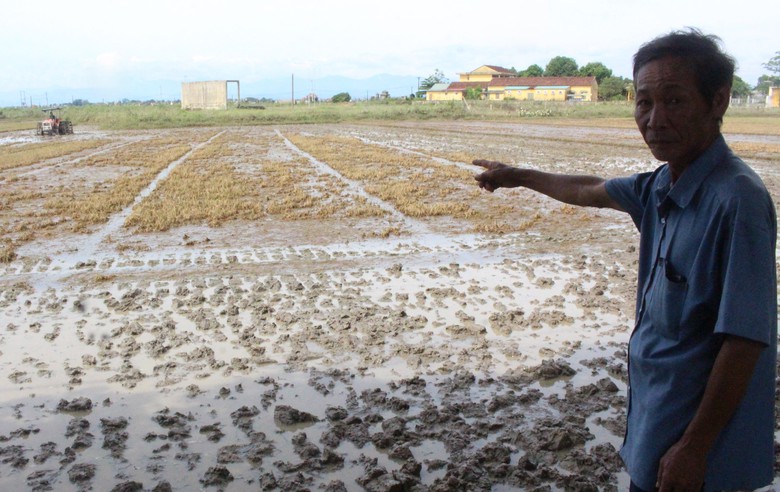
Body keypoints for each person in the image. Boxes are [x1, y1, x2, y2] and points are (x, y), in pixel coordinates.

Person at [474, 29, 777, 492]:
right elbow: (588, 190)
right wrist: (518, 176)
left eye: (674, 101)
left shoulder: (737, 202)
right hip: (658, 427)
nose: (655, 119)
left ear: (718, 100)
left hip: (702, 455)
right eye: (644, 102)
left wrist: (694, 448)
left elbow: (745, 341)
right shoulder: (661, 185)